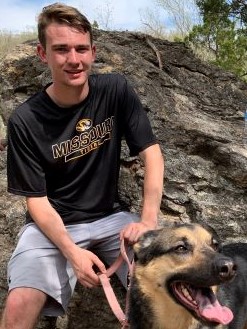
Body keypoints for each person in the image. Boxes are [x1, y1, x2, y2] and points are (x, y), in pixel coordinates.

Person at [0, 2, 164, 329]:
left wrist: (147, 222)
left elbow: (152, 154)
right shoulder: (26, 120)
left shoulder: (115, 90)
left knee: (167, 281)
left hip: (113, 218)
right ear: (42, 54)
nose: (73, 60)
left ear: (93, 51)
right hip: (53, 227)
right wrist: (72, 253)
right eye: (61, 49)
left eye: (81, 49)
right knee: (19, 303)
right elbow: (36, 200)